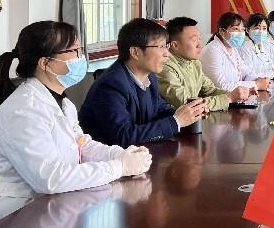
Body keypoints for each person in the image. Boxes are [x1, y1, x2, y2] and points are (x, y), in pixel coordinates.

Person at [0, 21, 152, 228]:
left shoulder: (62, 104)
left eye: (80, 50)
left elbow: (82, 145)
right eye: (73, 51)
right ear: (45, 63)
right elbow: (50, 178)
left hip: (32, 221)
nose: (80, 58)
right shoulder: (24, 110)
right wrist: (118, 167)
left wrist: (119, 154)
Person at [79, 18, 205, 148]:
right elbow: (124, 136)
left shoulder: (150, 77)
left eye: (166, 46)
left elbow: (160, 110)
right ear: (135, 52)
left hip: (140, 154)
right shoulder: (111, 85)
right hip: (109, 158)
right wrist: (176, 122)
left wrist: (190, 113)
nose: (167, 54)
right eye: (161, 47)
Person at [156, 16, 249, 111]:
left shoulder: (194, 63)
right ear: (175, 45)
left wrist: (237, 95)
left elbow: (210, 90)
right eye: (194, 40)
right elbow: (188, 105)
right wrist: (228, 98)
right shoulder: (165, 67)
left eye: (200, 39)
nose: (200, 45)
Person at [200, 11, 270, 92]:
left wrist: (258, 79)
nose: (240, 33)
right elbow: (221, 86)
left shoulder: (233, 49)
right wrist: (256, 84)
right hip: (218, 97)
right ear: (222, 31)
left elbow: (246, 72)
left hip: (235, 96)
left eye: (242, 30)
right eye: (236, 29)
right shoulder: (212, 51)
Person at [237, 12, 274, 78]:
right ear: (247, 30)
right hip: (251, 83)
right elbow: (247, 75)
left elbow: (269, 65)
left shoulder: (261, 45)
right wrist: (270, 74)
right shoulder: (244, 46)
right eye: (257, 28)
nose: (261, 31)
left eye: (264, 28)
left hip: (264, 81)